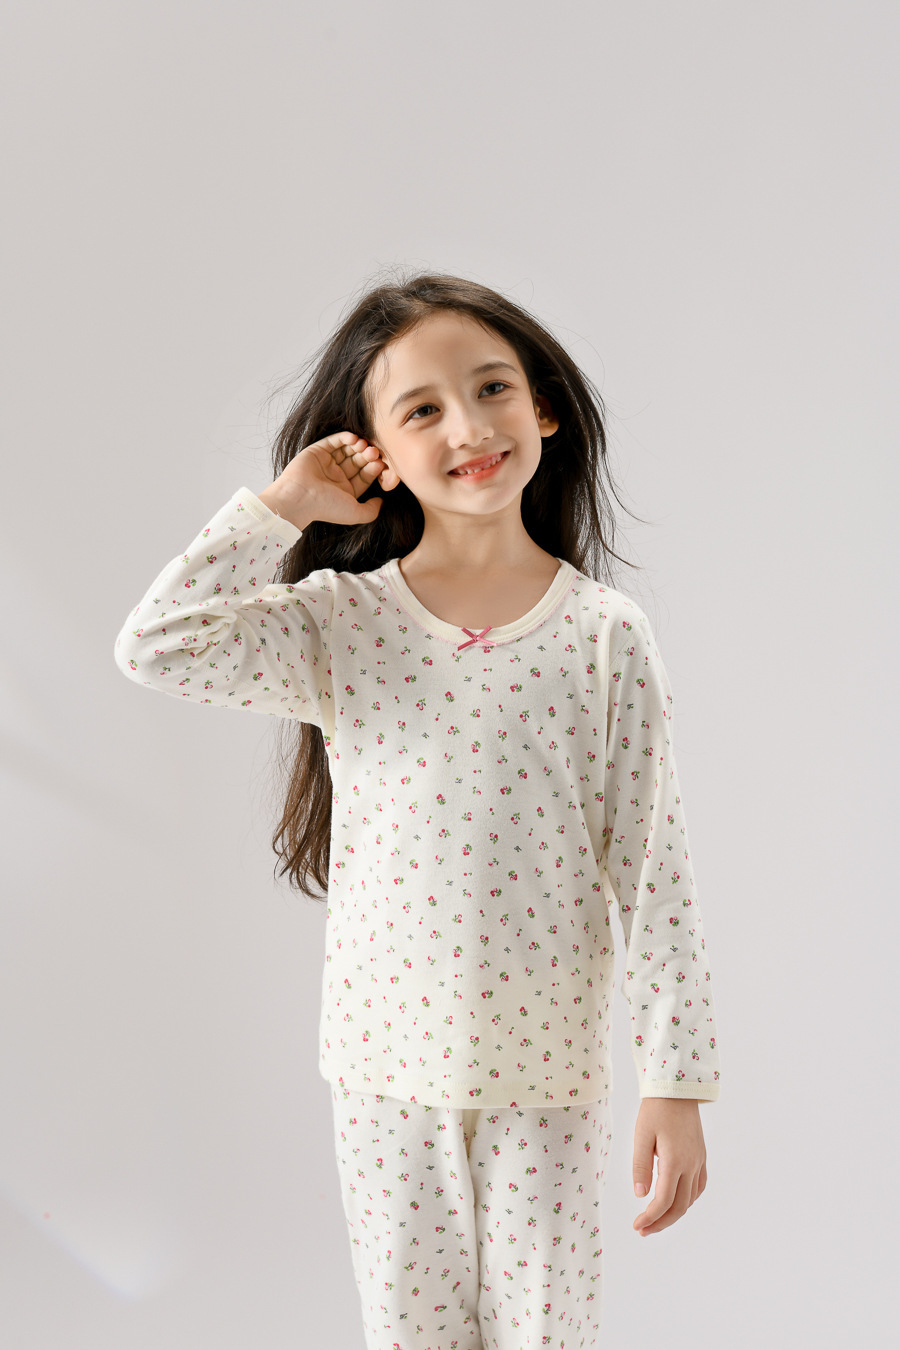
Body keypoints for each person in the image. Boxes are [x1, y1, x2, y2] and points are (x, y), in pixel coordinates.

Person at [114, 270, 722, 1349]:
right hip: (383, 1073)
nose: (470, 428)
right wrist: (282, 507)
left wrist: (676, 1081)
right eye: (424, 410)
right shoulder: (341, 626)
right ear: (377, 452)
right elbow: (157, 646)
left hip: (546, 1077)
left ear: (543, 409)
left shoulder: (603, 636)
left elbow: (652, 867)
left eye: (491, 389)